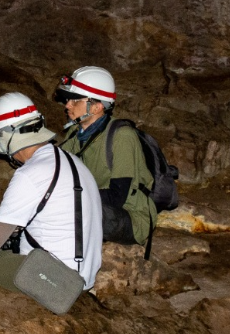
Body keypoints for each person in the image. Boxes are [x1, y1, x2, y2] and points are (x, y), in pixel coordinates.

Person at [0, 92, 103, 291]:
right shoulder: (74, 162)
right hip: (83, 279)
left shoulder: (30, 173)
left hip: (54, 282)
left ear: (5, 138)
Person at [55, 66, 156, 246]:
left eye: (75, 100)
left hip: (131, 216)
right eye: (69, 99)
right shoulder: (74, 133)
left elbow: (118, 196)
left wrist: (70, 196)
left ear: (96, 107)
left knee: (70, 210)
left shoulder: (122, 136)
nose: (67, 105)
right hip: (98, 206)